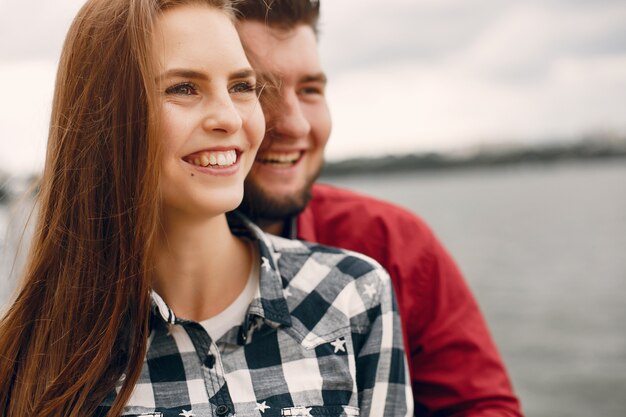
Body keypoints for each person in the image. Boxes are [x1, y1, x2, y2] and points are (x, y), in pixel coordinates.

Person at [0, 1, 412, 416]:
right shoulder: (25, 361)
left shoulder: (350, 296)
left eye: (242, 87)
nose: (229, 118)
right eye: (184, 88)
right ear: (103, 117)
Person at [234, 1, 524, 416]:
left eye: (310, 90)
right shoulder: (115, 264)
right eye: (257, 88)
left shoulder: (391, 244)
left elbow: (480, 406)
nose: (296, 125)